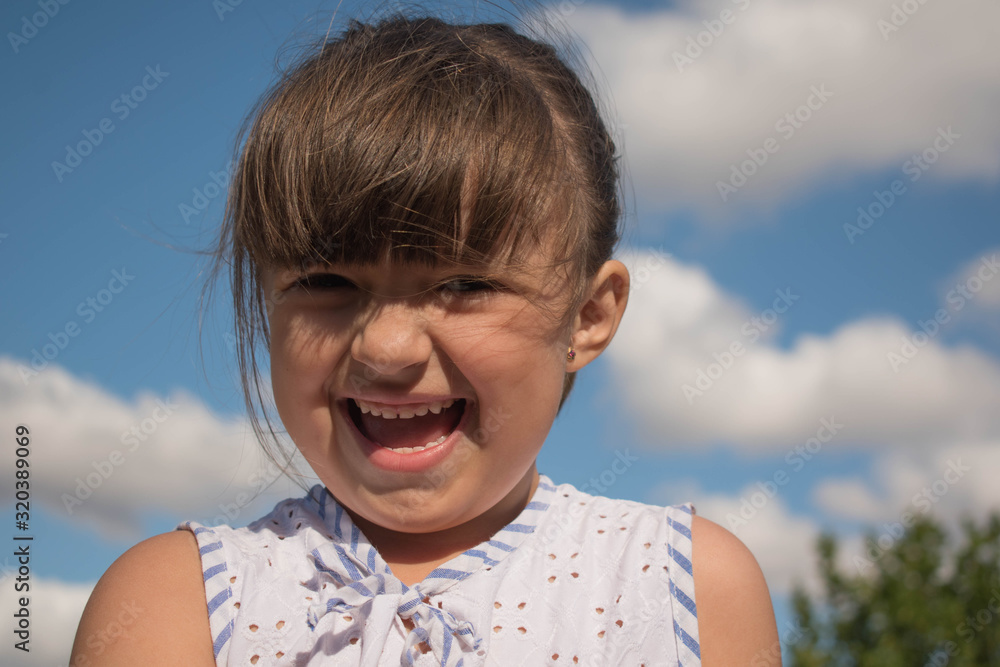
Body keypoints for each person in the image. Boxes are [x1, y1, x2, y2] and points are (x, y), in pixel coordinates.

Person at [71, 11, 779, 666]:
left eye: (464, 285)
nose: (387, 347)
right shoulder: (177, 602)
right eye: (325, 281)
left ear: (588, 316)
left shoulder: (681, 581)